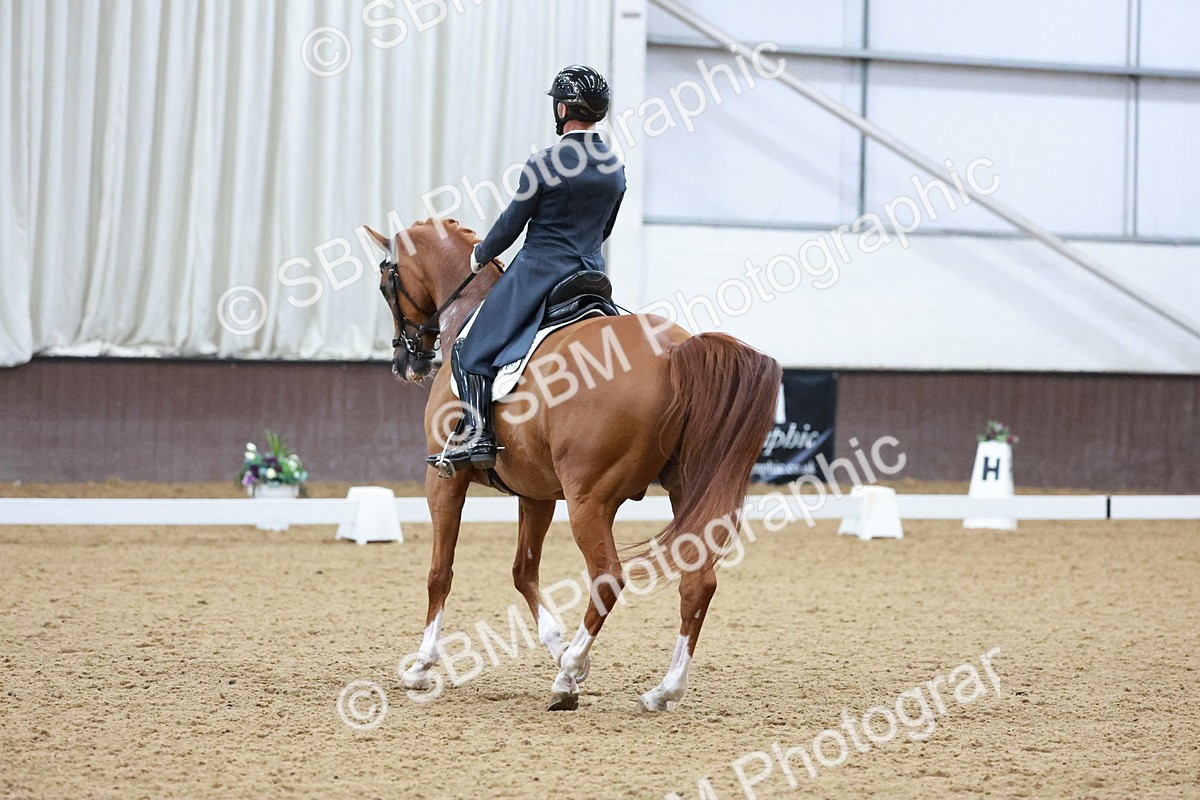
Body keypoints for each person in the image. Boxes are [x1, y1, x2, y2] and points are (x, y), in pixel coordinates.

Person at [445, 65, 627, 470]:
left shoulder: (544, 162)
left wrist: (479, 256)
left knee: (469, 347)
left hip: (541, 272)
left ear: (562, 108)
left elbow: (513, 223)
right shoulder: (615, 166)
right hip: (592, 276)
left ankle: (477, 435)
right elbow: (605, 228)